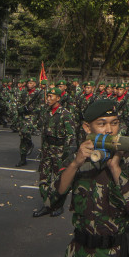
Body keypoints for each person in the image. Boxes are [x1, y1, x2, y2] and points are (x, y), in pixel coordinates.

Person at [57, 99, 129, 257]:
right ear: (86, 127)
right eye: (102, 123)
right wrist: (76, 164)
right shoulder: (77, 155)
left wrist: (116, 167)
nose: (109, 130)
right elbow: (55, 195)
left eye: (114, 123)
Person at [33, 85, 76, 218]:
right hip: (47, 150)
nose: (48, 98)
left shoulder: (65, 114)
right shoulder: (46, 112)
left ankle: (58, 206)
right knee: (43, 178)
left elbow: (71, 135)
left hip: (59, 151)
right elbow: (42, 130)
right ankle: (47, 204)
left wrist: (66, 153)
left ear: (58, 98)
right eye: (48, 96)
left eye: (51, 96)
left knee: (61, 180)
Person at [16, 77, 43, 166]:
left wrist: (32, 110)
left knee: (25, 131)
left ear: (35, 84)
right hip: (23, 116)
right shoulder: (23, 92)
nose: (29, 85)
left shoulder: (38, 93)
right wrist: (20, 109)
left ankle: (30, 143)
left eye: (31, 83)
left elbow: (41, 105)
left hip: (32, 116)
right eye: (28, 83)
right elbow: (19, 102)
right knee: (22, 136)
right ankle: (23, 158)